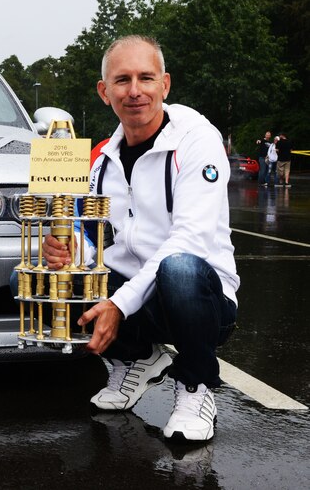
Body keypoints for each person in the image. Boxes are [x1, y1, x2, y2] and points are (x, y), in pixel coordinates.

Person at [43, 35, 239, 442]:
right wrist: (67, 250)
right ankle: (135, 358)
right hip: (136, 295)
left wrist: (118, 303)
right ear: (104, 91)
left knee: (179, 267)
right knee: (40, 280)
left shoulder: (197, 141)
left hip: (201, 298)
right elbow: (99, 241)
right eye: (122, 80)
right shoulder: (99, 158)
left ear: (165, 85)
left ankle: (196, 387)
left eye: (146, 78)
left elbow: (190, 238)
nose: (135, 91)